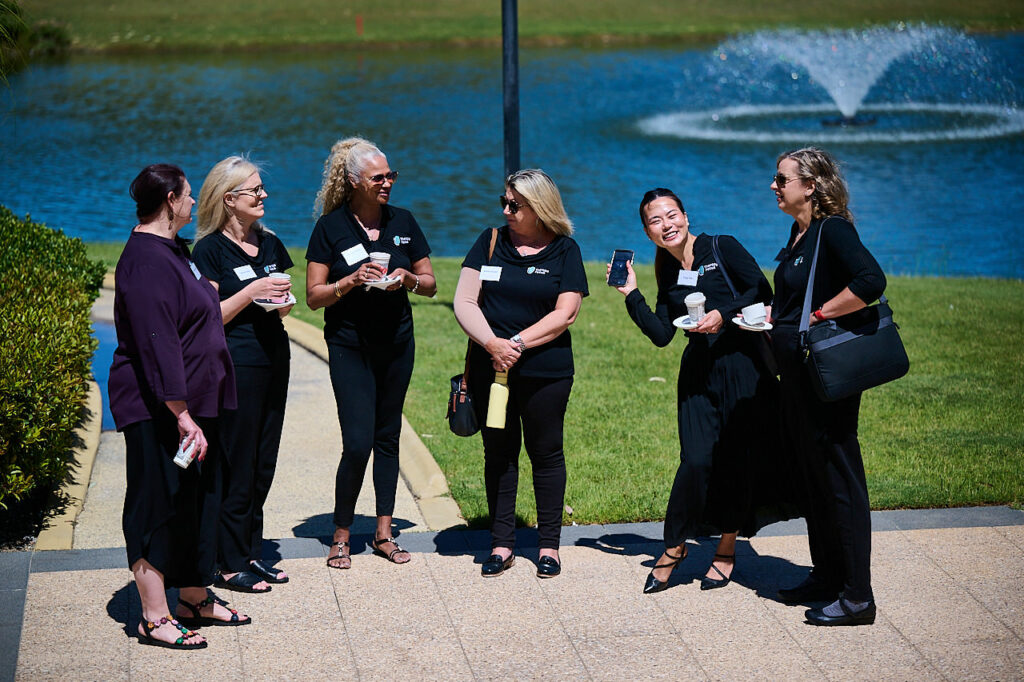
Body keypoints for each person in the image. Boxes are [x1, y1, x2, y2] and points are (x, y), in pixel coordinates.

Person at [612, 187, 790, 594]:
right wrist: (632, 294)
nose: (666, 225)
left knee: (736, 462)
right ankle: (675, 545)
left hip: (743, 368)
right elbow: (661, 334)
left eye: (671, 215)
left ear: (686, 217)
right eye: (655, 221)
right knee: (694, 460)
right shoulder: (667, 271)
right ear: (647, 231)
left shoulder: (720, 247)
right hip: (698, 374)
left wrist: (721, 315)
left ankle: (726, 548)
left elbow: (760, 291)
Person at [109, 164, 250, 650]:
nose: (194, 203)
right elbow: (156, 341)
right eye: (188, 196)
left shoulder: (174, 250)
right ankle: (153, 614)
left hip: (195, 401)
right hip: (159, 408)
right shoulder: (146, 260)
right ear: (170, 200)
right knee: (156, 501)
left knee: (197, 499)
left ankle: (193, 596)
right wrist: (181, 413)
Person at [305, 137, 436, 570]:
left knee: (388, 437)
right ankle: (341, 533)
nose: (387, 183)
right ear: (354, 181)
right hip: (349, 346)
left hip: (397, 342)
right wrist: (351, 281)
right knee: (358, 442)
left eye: (390, 175)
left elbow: (430, 282)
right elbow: (314, 296)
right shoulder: (330, 227)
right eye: (378, 177)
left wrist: (407, 279)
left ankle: (384, 532)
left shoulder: (404, 220)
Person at [769, 147, 886, 626]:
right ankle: (827, 576)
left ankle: (858, 596)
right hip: (799, 377)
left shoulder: (833, 229)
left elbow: (870, 280)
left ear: (810, 186)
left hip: (827, 377)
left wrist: (820, 315)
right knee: (813, 479)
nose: (773, 186)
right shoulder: (799, 233)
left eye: (781, 179)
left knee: (840, 479)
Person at [454, 169, 588, 579]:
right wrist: (493, 345)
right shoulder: (489, 241)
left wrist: (516, 345)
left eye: (516, 204)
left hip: (546, 373)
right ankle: (501, 543)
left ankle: (549, 547)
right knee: (498, 455)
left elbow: (565, 313)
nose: (507, 210)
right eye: (505, 202)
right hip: (491, 371)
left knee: (546, 454)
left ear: (540, 207)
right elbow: (464, 300)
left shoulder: (565, 250)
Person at [192, 156, 293, 593]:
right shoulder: (209, 250)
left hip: (275, 358)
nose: (263, 195)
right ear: (229, 200)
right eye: (255, 190)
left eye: (261, 189)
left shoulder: (269, 242)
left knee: (263, 461)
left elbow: (284, 298)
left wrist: (281, 301)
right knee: (237, 460)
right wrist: (252, 292)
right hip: (237, 364)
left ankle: (250, 550)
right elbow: (209, 315)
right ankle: (227, 561)